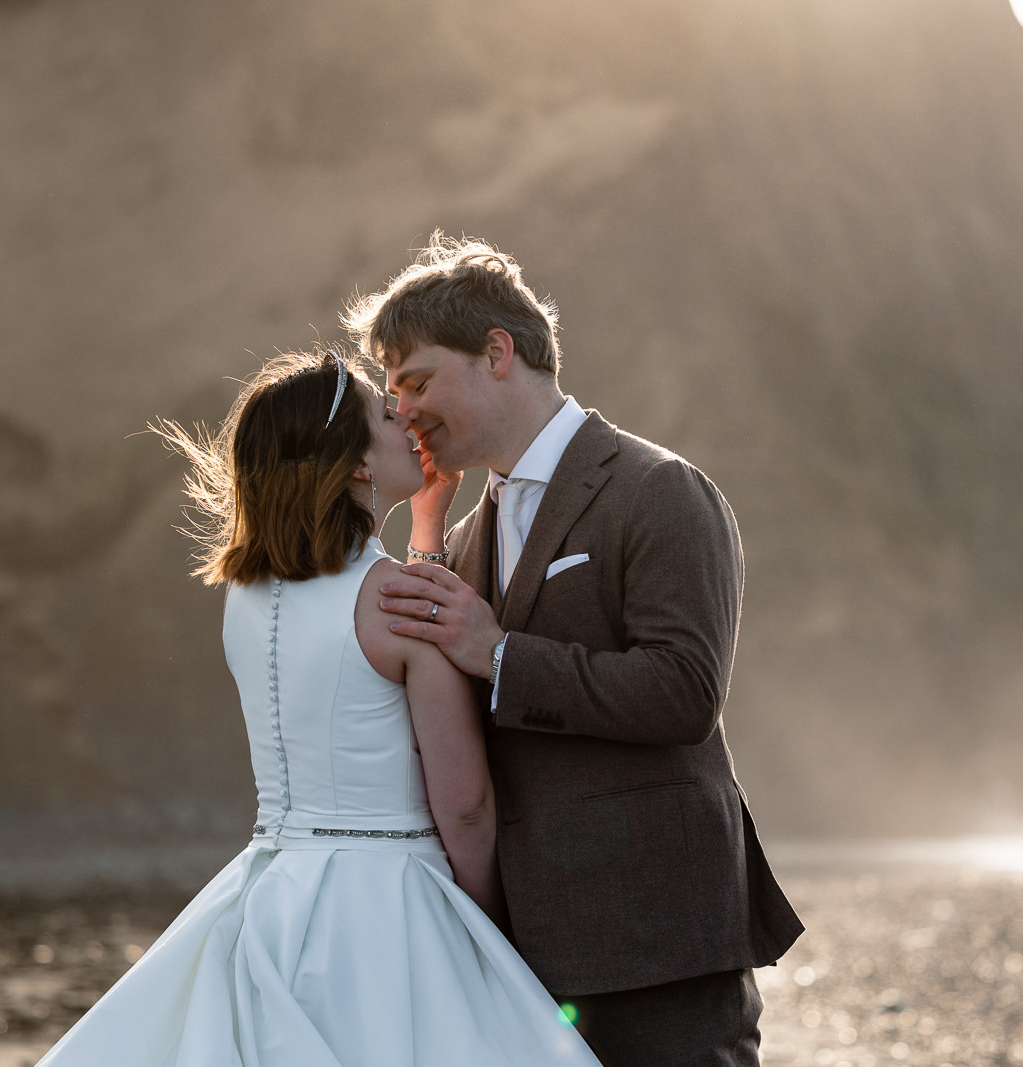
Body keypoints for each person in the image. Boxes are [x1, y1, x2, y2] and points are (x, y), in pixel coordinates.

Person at [35, 348, 601, 1066]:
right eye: (384, 413)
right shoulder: (400, 602)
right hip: (390, 909)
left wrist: (426, 533)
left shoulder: (245, 595)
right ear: (358, 464)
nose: (407, 420)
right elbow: (464, 805)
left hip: (271, 892)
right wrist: (491, 937)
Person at [346, 235, 804, 1067]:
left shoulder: (659, 489)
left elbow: (685, 689)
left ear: (496, 352)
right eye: (393, 393)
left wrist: (500, 654)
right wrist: (425, 542)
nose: (403, 410)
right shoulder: (464, 532)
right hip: (527, 952)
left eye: (416, 381)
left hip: (658, 943)